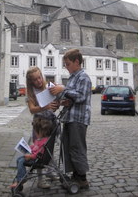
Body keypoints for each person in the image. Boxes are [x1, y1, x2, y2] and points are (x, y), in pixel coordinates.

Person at [49, 48, 91, 190]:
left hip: (78, 119)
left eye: (67, 64)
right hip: (70, 117)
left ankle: (82, 179)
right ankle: (75, 176)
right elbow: (73, 98)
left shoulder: (83, 77)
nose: (66, 67)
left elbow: (81, 96)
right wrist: (64, 100)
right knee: (70, 147)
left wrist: (63, 90)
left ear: (77, 62)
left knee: (77, 148)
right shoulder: (73, 77)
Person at [26, 66, 60, 188]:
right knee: (40, 151)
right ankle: (40, 180)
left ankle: (50, 173)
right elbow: (31, 109)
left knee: (49, 150)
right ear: (31, 81)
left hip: (50, 123)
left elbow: (55, 106)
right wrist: (44, 107)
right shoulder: (31, 92)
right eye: (35, 79)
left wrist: (56, 104)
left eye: (39, 77)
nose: (39, 81)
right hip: (39, 125)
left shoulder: (48, 86)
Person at [10, 117, 52, 189]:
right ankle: (21, 176)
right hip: (33, 156)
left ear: (41, 132)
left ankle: (21, 179)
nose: (35, 133)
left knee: (21, 161)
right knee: (18, 159)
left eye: (36, 131)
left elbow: (39, 153)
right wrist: (29, 147)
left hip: (36, 159)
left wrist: (30, 156)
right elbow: (35, 146)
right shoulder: (39, 139)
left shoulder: (44, 142)